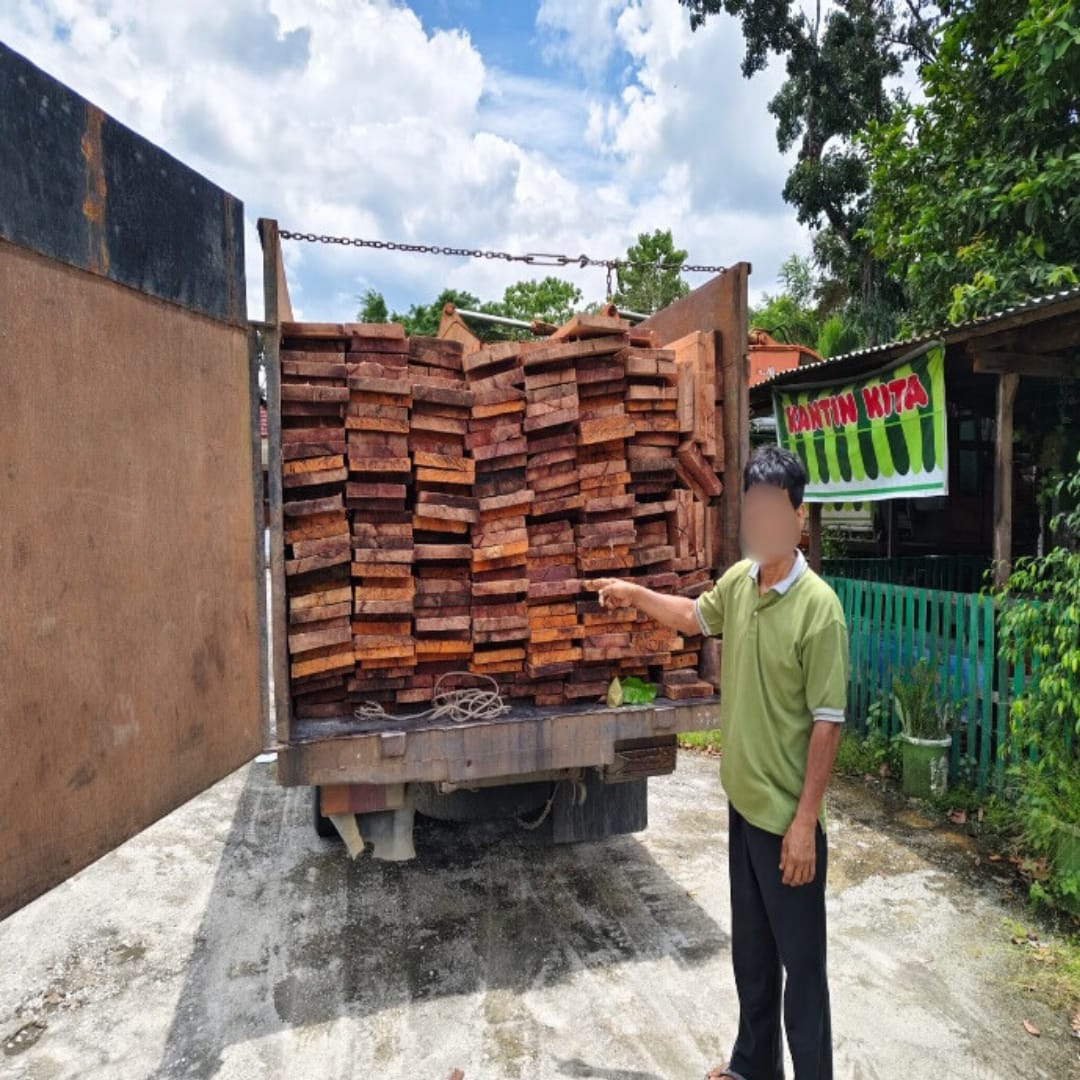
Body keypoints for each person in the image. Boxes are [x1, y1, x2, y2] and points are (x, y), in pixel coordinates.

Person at [593, 445, 848, 1080]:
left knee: (803, 976)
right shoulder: (741, 582)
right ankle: (751, 1069)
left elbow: (828, 723)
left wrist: (803, 823)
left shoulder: (820, 610)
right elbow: (691, 616)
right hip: (743, 808)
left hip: (786, 821)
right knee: (753, 960)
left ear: (798, 516)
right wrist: (633, 592)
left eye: (772, 510)